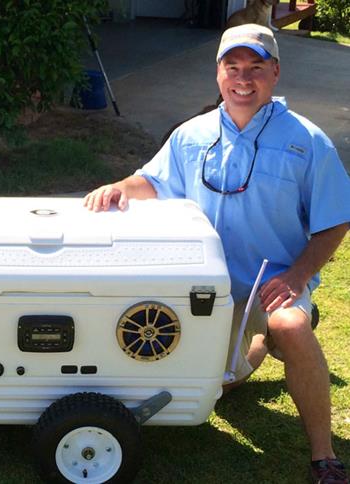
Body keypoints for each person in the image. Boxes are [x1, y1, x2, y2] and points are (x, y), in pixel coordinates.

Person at [84, 24, 349, 484]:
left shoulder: (306, 141)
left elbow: (335, 220)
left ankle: (323, 457)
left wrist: (298, 276)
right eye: (233, 67)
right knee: (219, 386)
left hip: (271, 284)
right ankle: (257, 344)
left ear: (276, 72)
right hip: (203, 290)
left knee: (291, 324)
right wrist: (117, 188)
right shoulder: (192, 134)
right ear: (219, 73)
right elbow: (153, 181)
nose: (243, 79)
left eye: (256, 68)